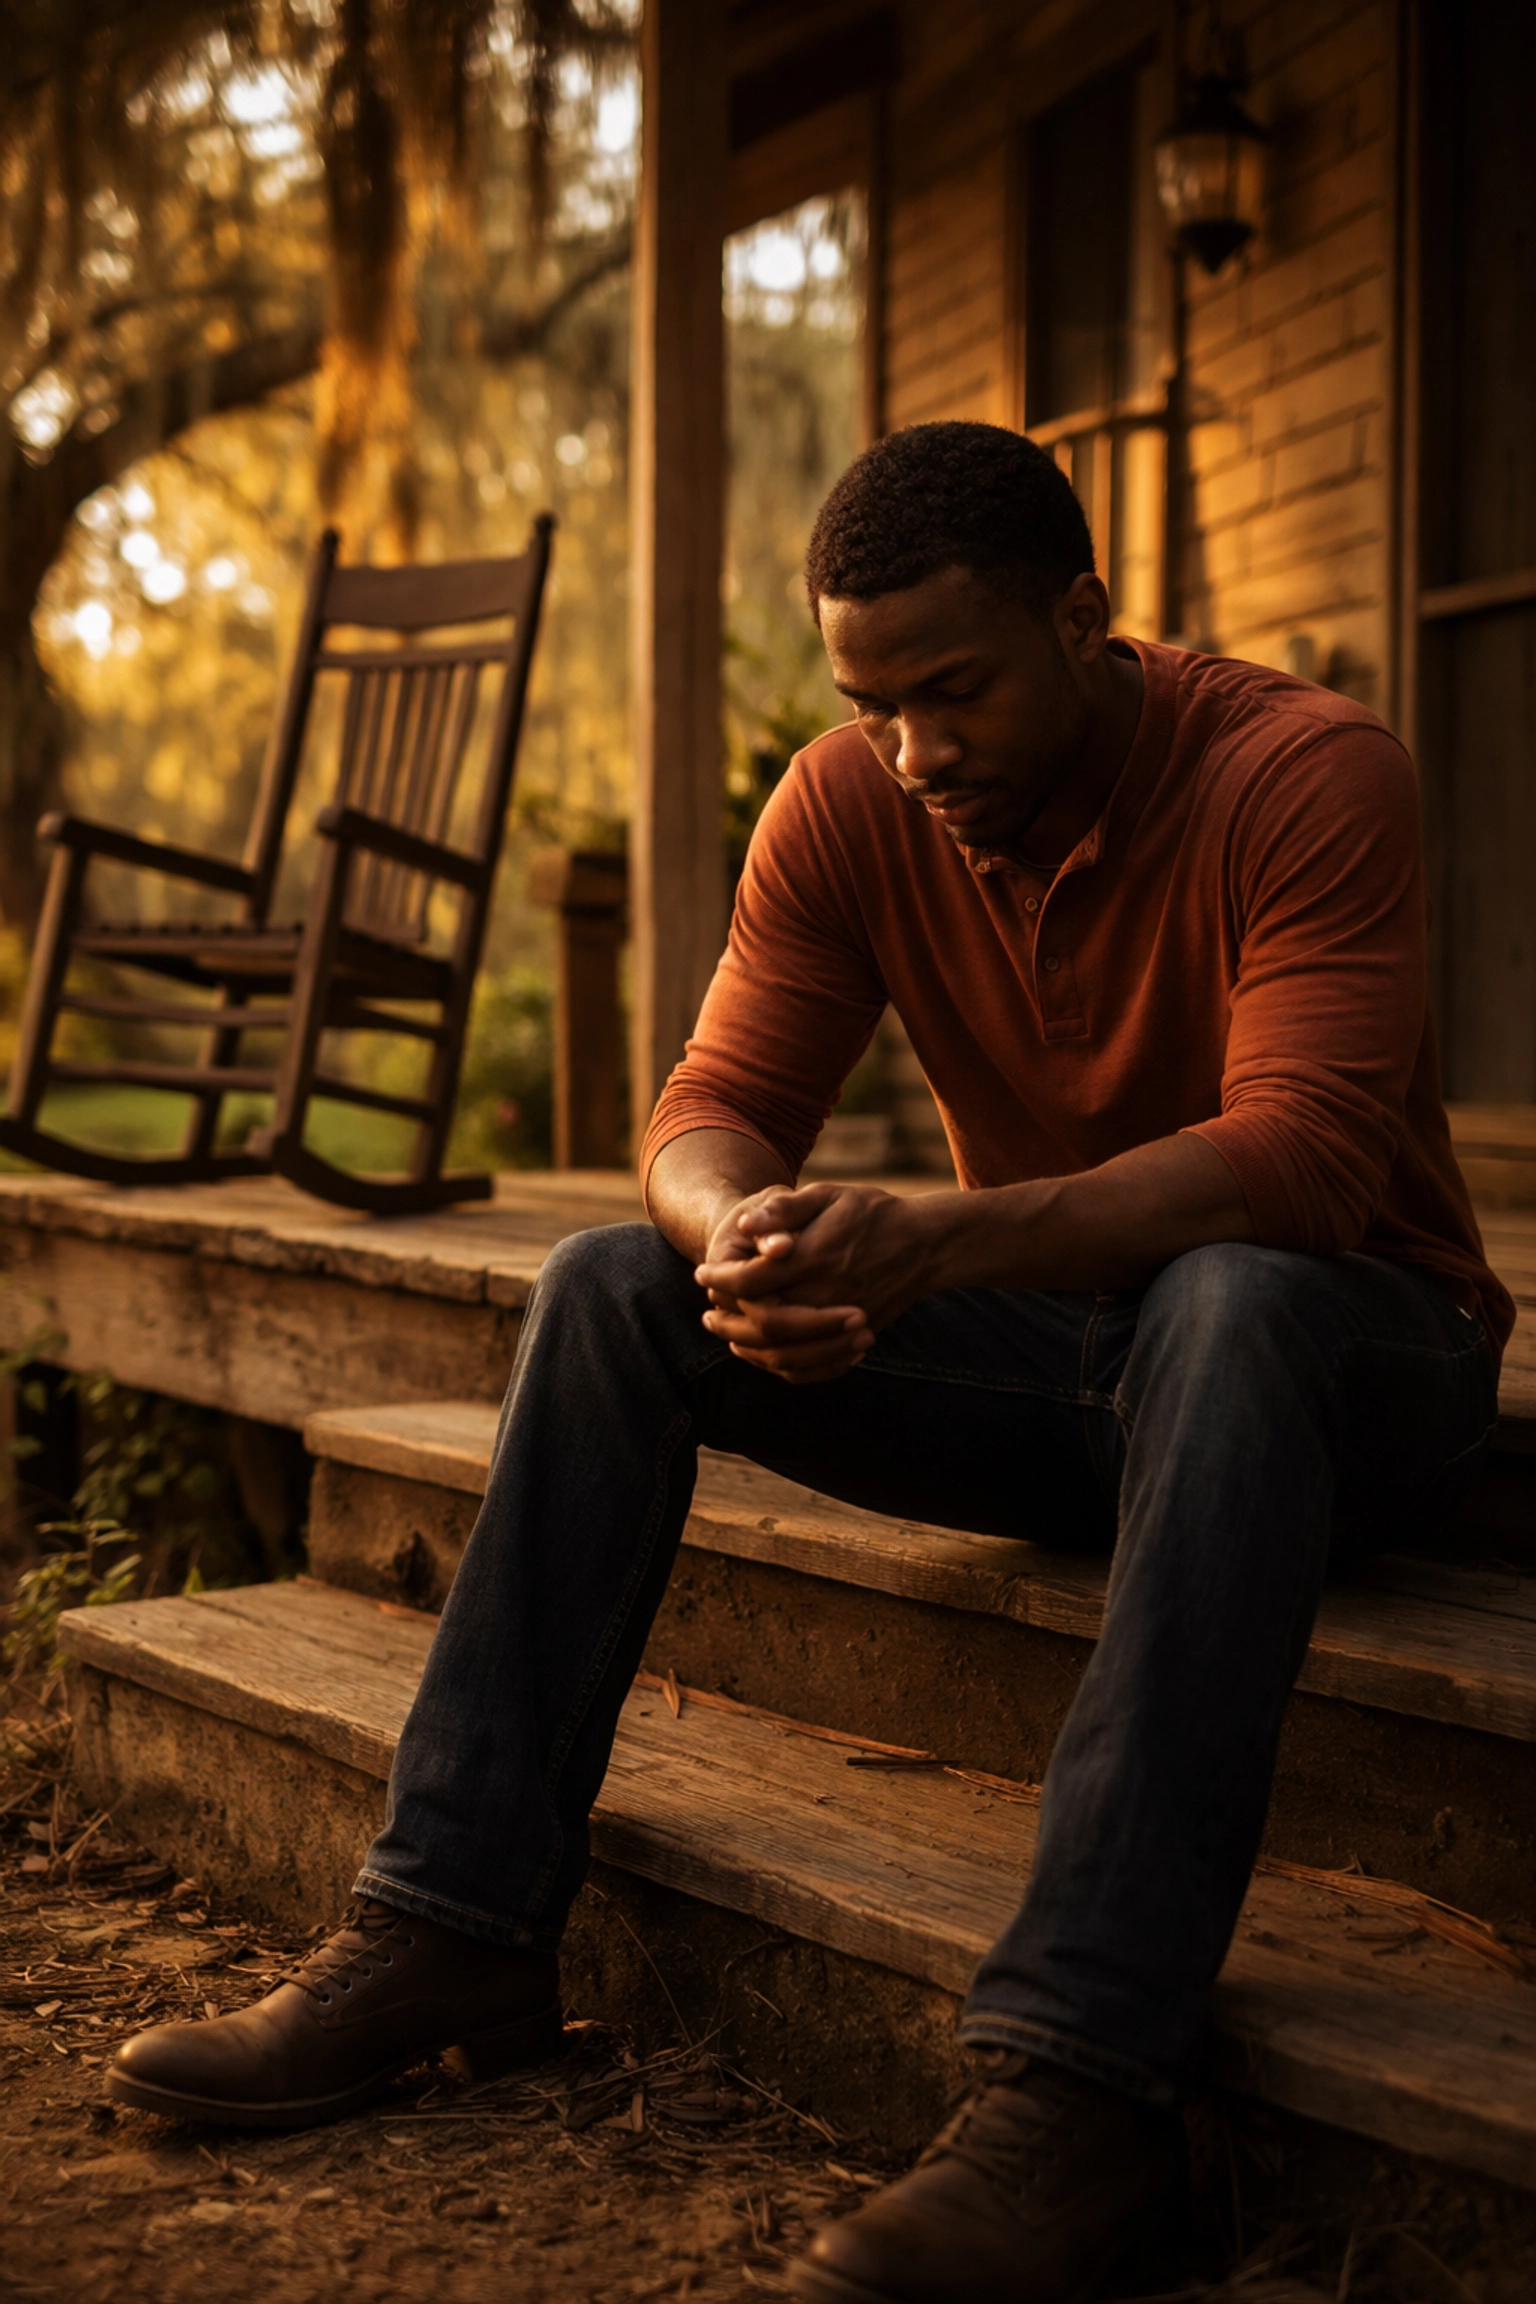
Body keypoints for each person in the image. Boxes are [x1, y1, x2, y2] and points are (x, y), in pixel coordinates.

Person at [107, 423, 1508, 2304]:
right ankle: (453, 1926)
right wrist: (742, 1237)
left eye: (955, 692)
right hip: (1085, 1366)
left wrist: (943, 1240)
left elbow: (1308, 1164)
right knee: (613, 1282)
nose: (914, 753)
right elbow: (709, 1106)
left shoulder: (1305, 770)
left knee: (1231, 1297)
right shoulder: (851, 802)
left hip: (1356, 1369)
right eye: (873, 705)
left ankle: (1080, 2092)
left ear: (1081, 619)